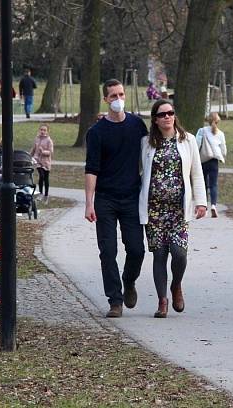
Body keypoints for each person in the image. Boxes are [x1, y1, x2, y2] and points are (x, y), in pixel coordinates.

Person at [84, 79, 148, 318]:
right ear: (106, 100)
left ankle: (128, 280)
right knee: (107, 251)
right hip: (105, 199)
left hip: (132, 196)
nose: (118, 99)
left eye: (121, 94)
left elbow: (149, 155)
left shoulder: (137, 126)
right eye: (113, 96)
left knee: (137, 249)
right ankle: (115, 300)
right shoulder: (97, 132)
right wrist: (89, 202)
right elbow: (91, 169)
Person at [140, 100, 207, 318]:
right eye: (162, 114)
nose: (167, 117)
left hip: (179, 210)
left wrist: (201, 202)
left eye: (170, 113)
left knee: (179, 253)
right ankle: (162, 301)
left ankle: (176, 285)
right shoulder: (146, 143)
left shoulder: (187, 140)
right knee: (159, 255)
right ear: (155, 119)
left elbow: (196, 172)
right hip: (154, 210)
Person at [195, 112, 227, 218]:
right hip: (214, 162)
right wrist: (222, 156)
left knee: (203, 184)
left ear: (208, 120)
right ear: (218, 121)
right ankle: (213, 205)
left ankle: (205, 208)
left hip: (203, 160)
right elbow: (224, 150)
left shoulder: (202, 131)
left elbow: (197, 144)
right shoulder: (220, 134)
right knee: (213, 184)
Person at [30, 124, 53, 203]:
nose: (42, 131)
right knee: (41, 176)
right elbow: (33, 149)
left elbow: (50, 152)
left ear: (47, 131)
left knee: (46, 178)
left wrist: (43, 151)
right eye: (41, 130)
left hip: (46, 162)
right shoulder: (37, 139)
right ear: (39, 130)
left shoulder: (49, 140)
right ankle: (40, 193)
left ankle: (46, 195)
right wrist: (29, 156)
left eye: (44, 130)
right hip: (38, 161)